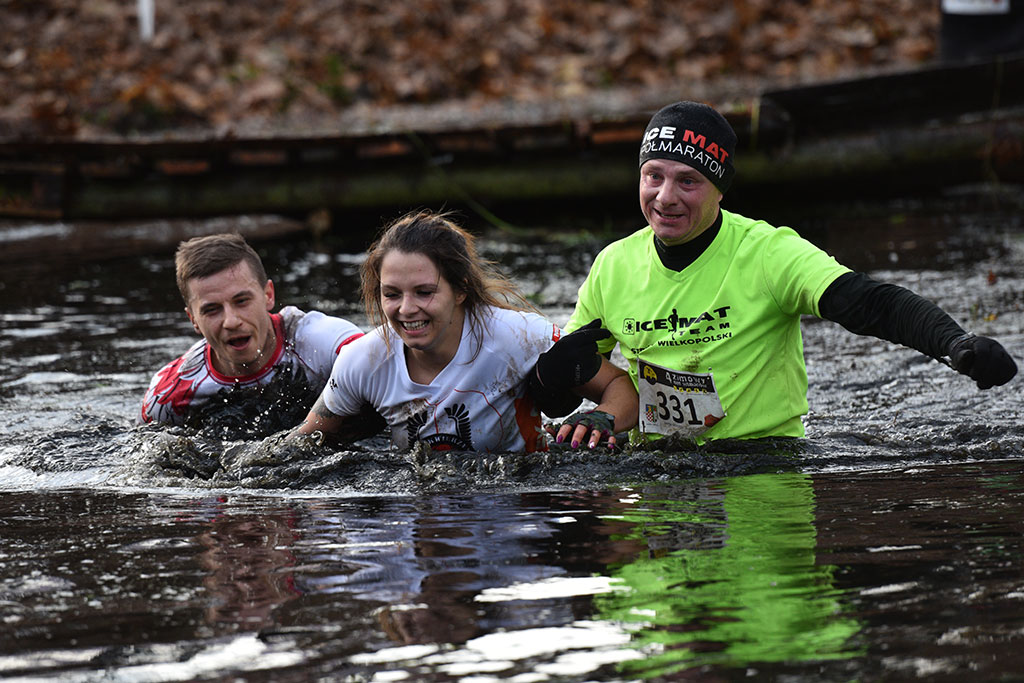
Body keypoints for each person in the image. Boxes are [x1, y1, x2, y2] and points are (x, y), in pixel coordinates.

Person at [564, 100, 1018, 443]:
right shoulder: (613, 266)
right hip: (657, 476)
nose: (665, 197)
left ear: (720, 189)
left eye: (688, 181)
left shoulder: (769, 253)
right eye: (654, 176)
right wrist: (571, 400)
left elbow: (870, 304)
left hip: (763, 465)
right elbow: (572, 366)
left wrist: (953, 343)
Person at [293, 210, 638, 452]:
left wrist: (600, 419)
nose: (406, 309)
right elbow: (298, 448)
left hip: (519, 512)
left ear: (460, 290)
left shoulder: (517, 337)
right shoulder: (362, 361)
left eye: (424, 292)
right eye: (392, 294)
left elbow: (621, 388)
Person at [140, 233, 365, 431]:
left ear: (268, 296)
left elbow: (378, 365)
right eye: (212, 310)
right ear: (193, 320)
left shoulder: (322, 343)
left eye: (241, 301)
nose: (231, 321)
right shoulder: (169, 394)